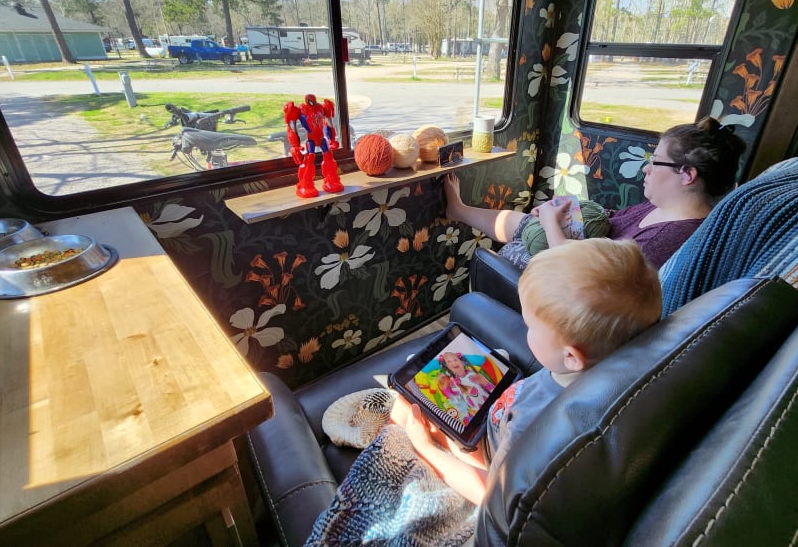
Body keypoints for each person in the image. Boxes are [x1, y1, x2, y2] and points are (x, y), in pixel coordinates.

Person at [305, 238, 662, 545]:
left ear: (571, 356)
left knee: (401, 416)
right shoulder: (594, 378)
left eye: (531, 325)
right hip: (490, 428)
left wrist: (425, 445)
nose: (525, 329)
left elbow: (491, 496)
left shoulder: (538, 424)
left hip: (490, 458)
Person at [444, 117, 747, 269]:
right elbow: (610, 218)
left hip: (574, 275)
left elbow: (582, 274)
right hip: (585, 245)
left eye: (654, 162)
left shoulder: (665, 242)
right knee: (527, 222)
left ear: (687, 175)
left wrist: (552, 224)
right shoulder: (664, 208)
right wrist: (562, 209)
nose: (646, 169)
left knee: (513, 249)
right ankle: (457, 210)